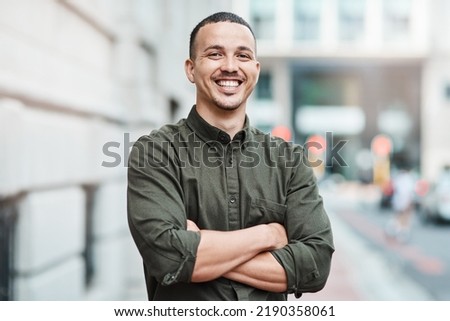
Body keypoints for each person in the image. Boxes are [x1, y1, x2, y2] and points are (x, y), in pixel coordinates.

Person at [127, 12, 334, 301]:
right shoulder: (155, 152)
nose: (230, 67)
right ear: (190, 68)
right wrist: (268, 236)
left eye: (243, 56)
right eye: (214, 54)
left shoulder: (291, 161)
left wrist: (201, 250)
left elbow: (315, 264)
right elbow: (169, 258)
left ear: (256, 70)